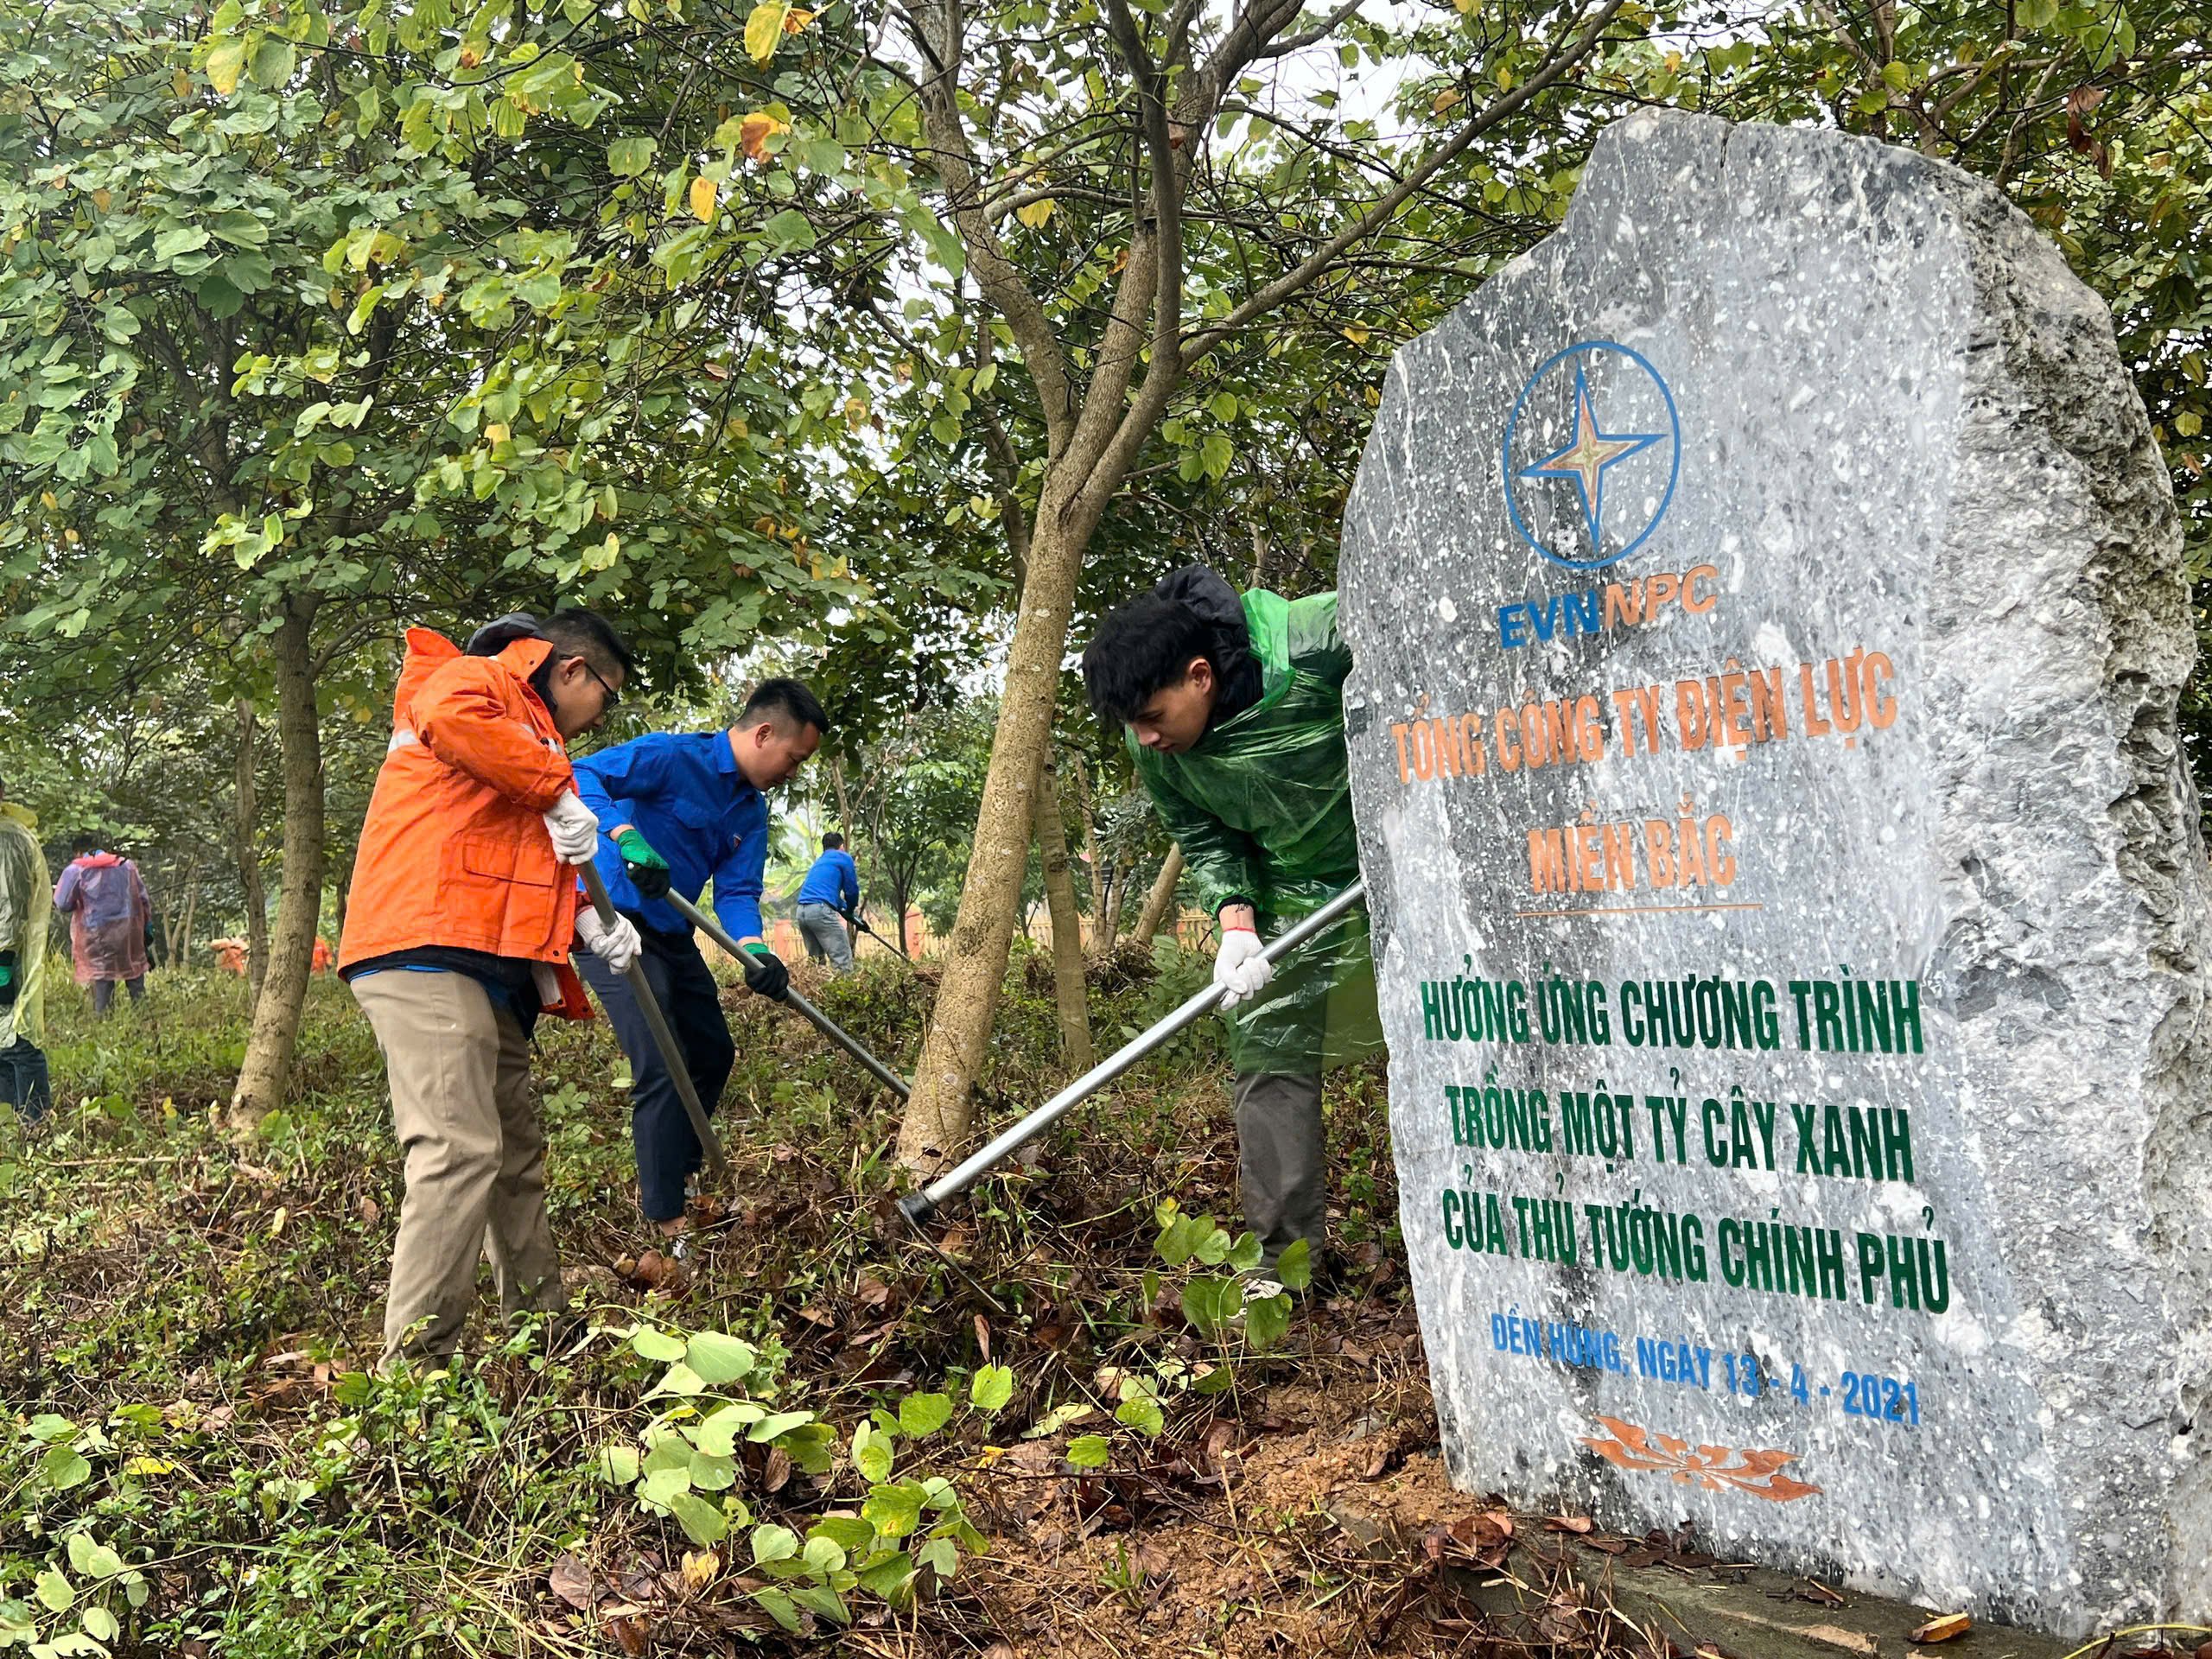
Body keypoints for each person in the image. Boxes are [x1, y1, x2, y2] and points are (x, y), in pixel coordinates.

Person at [338, 608, 638, 1371]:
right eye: (608, 695)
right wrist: (556, 789)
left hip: (483, 960)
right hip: (424, 946)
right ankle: (411, 1381)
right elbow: (445, 712)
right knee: (458, 1146)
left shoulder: (530, 737)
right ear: (573, 670)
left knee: (512, 1148)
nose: (602, 715)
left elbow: (509, 853)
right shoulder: (481, 681)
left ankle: (543, 1335)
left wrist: (583, 920)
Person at [1082, 565, 1380, 1283]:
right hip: (1292, 892)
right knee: (1269, 1061)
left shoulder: (1316, 641)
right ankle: (1284, 1272)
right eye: (1132, 725)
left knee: (1450, 1034)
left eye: (1153, 717)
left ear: (1199, 675)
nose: (1145, 738)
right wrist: (1237, 922)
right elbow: (1203, 829)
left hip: (1408, 862)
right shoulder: (1154, 743)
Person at [571, 679, 827, 1244]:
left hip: (669, 929)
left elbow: (736, 894)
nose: (793, 772)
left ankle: (678, 1169)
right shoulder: (670, 755)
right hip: (606, 918)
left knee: (712, 1049)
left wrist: (755, 952)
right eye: (794, 758)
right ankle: (665, 1218)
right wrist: (624, 835)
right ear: (763, 734)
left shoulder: (750, 811)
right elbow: (580, 775)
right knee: (663, 1056)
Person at [0, 771, 52, 1122]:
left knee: (19, 1039)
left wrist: (4, 956)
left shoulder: (9, 839)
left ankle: (35, 1121)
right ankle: (10, 1119)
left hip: (8, 954)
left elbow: (12, 903)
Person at [53, 836, 150, 1015]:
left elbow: (62, 903)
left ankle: (104, 1020)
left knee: (103, 974)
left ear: (77, 852)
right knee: (133, 969)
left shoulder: (76, 870)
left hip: (96, 931)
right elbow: (143, 899)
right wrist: (146, 928)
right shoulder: (126, 866)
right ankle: (143, 1015)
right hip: (128, 929)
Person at [794, 831, 859, 974]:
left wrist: (845, 909)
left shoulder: (819, 862)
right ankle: (847, 993)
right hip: (819, 910)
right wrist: (850, 910)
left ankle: (816, 993)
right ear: (842, 846)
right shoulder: (844, 857)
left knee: (816, 963)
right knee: (841, 958)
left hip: (802, 912)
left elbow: (830, 896)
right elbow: (852, 890)